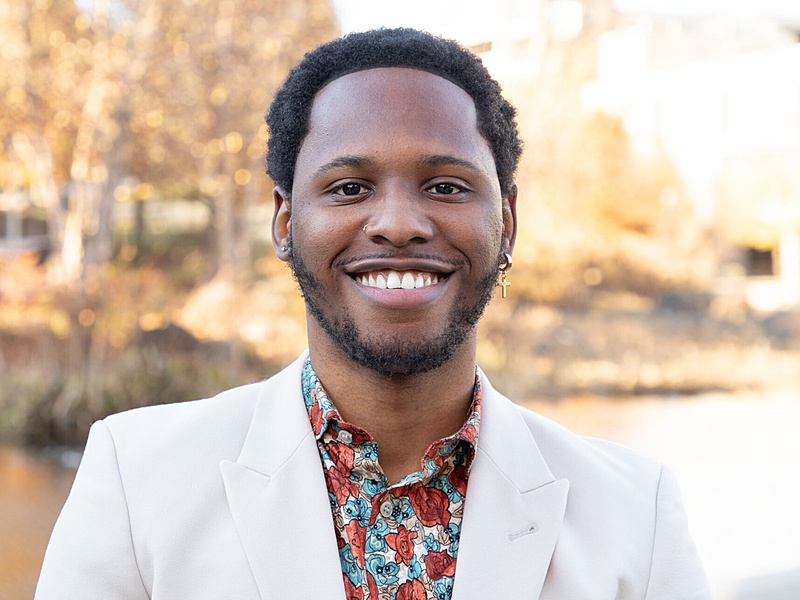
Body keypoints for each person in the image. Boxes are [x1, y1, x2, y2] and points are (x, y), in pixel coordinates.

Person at [35, 28, 711, 600]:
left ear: (506, 222)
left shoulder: (635, 513)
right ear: (284, 220)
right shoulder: (136, 480)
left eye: (445, 186)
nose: (397, 224)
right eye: (349, 187)